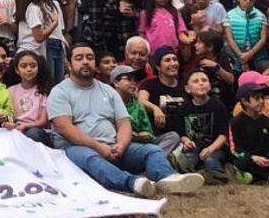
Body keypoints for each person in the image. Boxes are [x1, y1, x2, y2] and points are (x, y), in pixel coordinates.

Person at [48, 43, 203, 197]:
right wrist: (99, 147)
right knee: (89, 157)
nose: (85, 61)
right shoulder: (59, 92)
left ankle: (167, 178)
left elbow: (123, 123)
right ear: (69, 64)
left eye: (90, 57)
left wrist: (121, 145)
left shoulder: (108, 90)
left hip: (113, 147)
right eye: (79, 58)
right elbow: (65, 129)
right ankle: (133, 182)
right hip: (76, 150)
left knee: (152, 150)